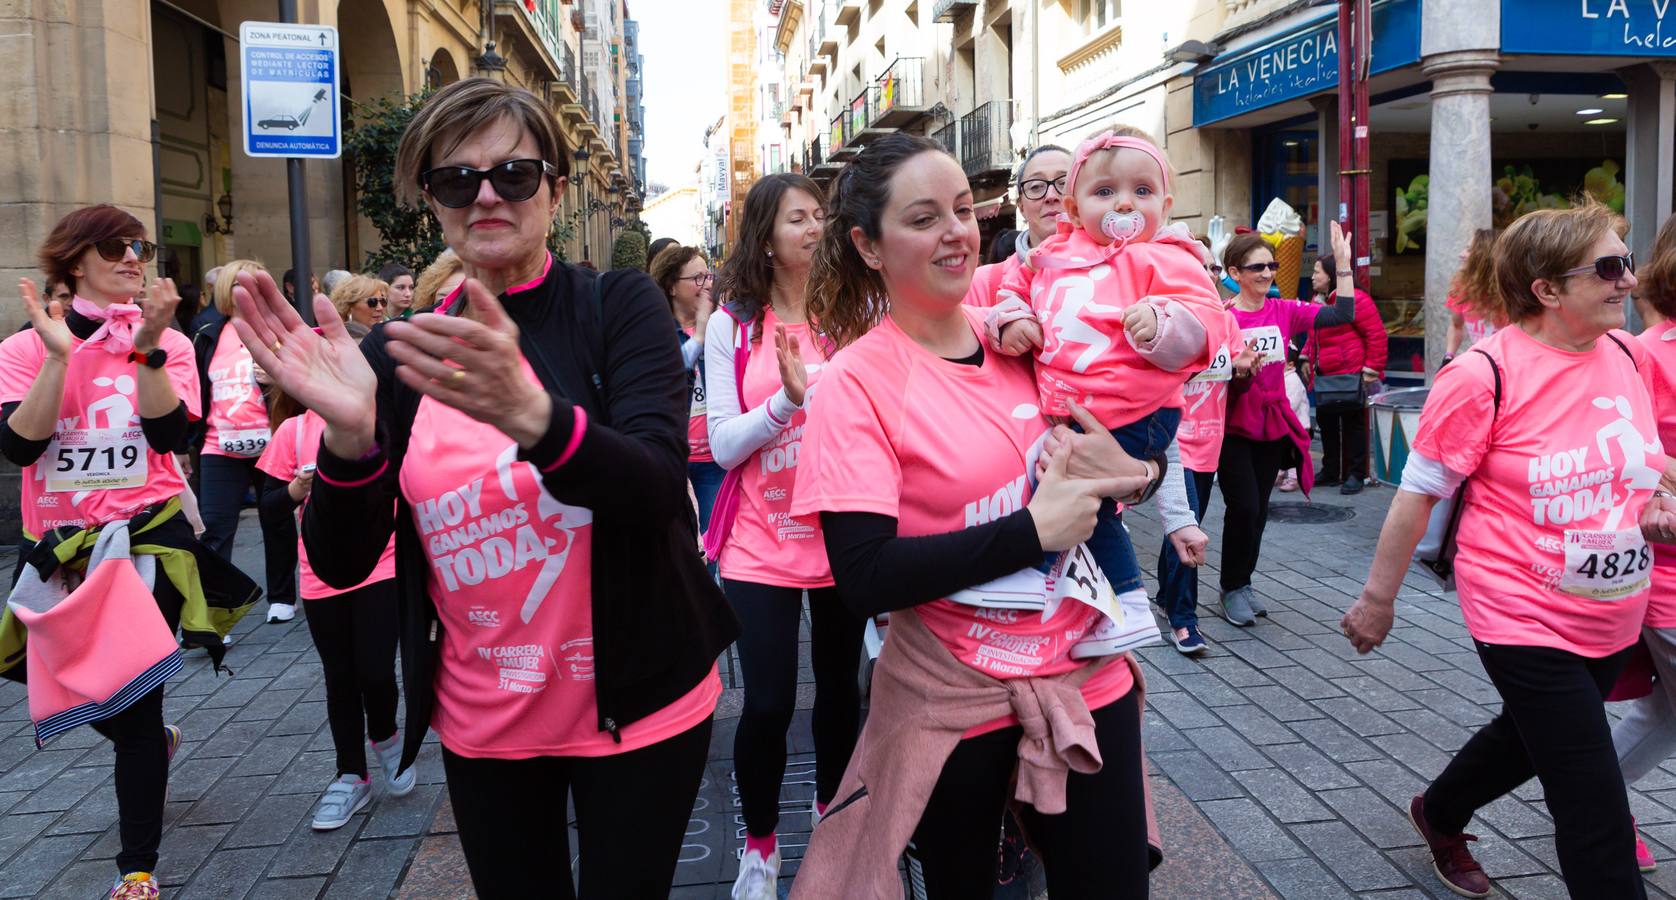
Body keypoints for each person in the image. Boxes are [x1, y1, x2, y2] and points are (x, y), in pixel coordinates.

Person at [231, 77, 737, 899]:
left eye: (515, 174)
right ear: (433, 201)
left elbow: (653, 483)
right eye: (457, 179)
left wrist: (533, 416)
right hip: (484, 716)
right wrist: (350, 441)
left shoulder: (619, 305)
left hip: (639, 701)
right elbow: (344, 556)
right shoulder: (402, 352)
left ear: (557, 190)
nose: (488, 195)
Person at [790, 131, 1159, 899]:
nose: (956, 232)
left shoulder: (1026, 335)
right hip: (952, 701)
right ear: (867, 245)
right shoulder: (855, 384)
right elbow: (863, 577)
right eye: (923, 219)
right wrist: (1031, 532)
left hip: (1086, 679)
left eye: (961, 210)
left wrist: (1143, 476)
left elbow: (1131, 439)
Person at [1341, 202, 1673, 898]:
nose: (1630, 281)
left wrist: (1659, 504)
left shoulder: (1624, 354)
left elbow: (1643, 465)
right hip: (1519, 610)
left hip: (1612, 608)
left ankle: (1440, 811)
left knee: (1526, 738)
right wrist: (1378, 600)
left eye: (1628, 262)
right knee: (1592, 799)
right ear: (1547, 290)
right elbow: (1418, 493)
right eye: (1610, 268)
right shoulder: (1483, 374)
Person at [0, 204, 255, 899]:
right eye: (114, 247)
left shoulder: (163, 342)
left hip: (149, 538)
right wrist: (59, 355)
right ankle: (152, 742)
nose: (132, 257)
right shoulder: (24, 350)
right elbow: (21, 445)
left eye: (137, 245)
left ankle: (136, 867)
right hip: (60, 545)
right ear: (74, 261)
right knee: (65, 683)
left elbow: (170, 434)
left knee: (135, 699)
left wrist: (145, 344)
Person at [983, 125, 1229, 657]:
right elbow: (1003, 298)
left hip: (1127, 415)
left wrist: (1163, 323)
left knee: (1063, 487)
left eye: (1141, 192)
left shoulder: (1163, 256)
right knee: (1073, 497)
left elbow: (1205, 324)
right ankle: (1119, 604)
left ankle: (1042, 581)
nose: (1123, 203)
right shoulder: (1042, 262)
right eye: (1036, 185)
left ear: (1164, 203)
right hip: (1076, 417)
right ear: (1072, 205)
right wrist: (1011, 322)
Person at [701, 172, 865, 899]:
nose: (814, 228)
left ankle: (833, 827)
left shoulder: (854, 311)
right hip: (759, 543)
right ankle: (760, 847)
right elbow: (723, 444)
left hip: (842, 539)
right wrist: (785, 403)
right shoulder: (732, 325)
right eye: (798, 218)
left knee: (839, 695)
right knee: (766, 703)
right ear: (765, 235)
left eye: (820, 216)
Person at [256, 308, 413, 832]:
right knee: (339, 676)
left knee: (374, 668)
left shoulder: (381, 424)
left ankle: (387, 735)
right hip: (318, 573)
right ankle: (351, 774)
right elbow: (268, 508)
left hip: (382, 565)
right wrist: (295, 491)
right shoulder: (292, 431)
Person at [1216, 227, 1356, 625]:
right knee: (1241, 507)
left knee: (1259, 511)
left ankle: (1242, 584)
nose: (1266, 273)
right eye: (1256, 267)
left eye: (1271, 266)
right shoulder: (1223, 317)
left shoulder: (1284, 310)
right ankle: (1230, 586)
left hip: (1271, 426)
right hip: (1231, 429)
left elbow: (1343, 314)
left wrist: (1342, 264)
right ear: (1235, 272)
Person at [1604, 213, 1676, 873]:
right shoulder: (1647, 352)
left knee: (1664, 714)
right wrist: (1658, 499)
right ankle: (1594, 807)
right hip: (1669, 571)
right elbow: (1627, 458)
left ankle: (1593, 803)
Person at [192, 258, 299, 624]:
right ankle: (217, 613)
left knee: (277, 521)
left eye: (254, 285)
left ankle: (282, 596)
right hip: (218, 445)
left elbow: (305, 387)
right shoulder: (207, 334)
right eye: (239, 285)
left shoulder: (282, 330)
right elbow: (196, 391)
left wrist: (278, 380)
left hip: (273, 443)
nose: (246, 293)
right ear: (226, 291)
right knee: (215, 529)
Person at [650, 245, 722, 572]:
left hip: (712, 462)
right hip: (672, 460)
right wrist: (701, 333)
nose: (707, 284)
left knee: (714, 548)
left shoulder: (722, 325)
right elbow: (665, 374)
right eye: (696, 277)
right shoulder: (656, 330)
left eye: (708, 275)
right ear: (671, 286)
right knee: (675, 552)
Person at [1304, 251, 1387, 494]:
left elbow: (1376, 334)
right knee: (1326, 423)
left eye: (1317, 272)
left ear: (1330, 275)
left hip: (1350, 373)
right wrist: (1305, 357)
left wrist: (1371, 369)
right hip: (1325, 375)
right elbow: (1312, 334)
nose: (1312, 277)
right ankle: (1331, 471)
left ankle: (1356, 474)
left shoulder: (1355, 299)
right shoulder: (1317, 302)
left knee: (1353, 426)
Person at [965, 144, 1071, 308]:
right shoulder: (982, 285)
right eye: (1036, 187)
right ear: (1021, 206)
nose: (1051, 196)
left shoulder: (1120, 269)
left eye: (1064, 183)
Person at [1445, 228, 1503, 363]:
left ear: (1485, 257)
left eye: (1469, 250)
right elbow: (1456, 326)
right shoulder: (1461, 288)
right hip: (1481, 364)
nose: (1461, 254)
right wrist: (1448, 357)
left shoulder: (1512, 294)